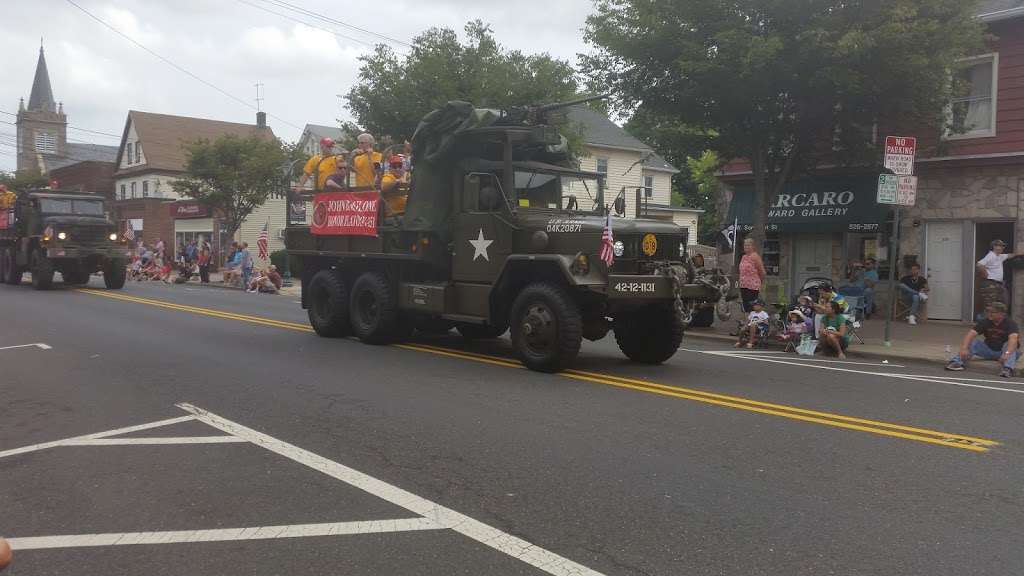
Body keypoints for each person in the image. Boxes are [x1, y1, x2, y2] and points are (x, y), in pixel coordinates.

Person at [946, 302, 1019, 377]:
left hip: (1005, 352)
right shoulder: (985, 321)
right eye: (988, 311)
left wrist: (1006, 353)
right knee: (974, 343)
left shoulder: (1010, 323)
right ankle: (956, 362)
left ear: (1001, 314)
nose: (989, 314)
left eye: (992, 312)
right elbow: (970, 334)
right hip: (989, 350)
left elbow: (1013, 339)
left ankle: (1007, 369)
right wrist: (964, 348)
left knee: (1010, 345)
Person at [738, 237, 767, 313]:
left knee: (752, 306)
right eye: (745, 245)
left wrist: (760, 281)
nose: (746, 247)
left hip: (753, 286)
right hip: (743, 285)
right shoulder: (743, 257)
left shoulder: (755, 257)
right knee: (745, 306)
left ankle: (753, 322)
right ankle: (747, 321)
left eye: (748, 245)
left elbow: (762, 272)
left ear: (753, 246)